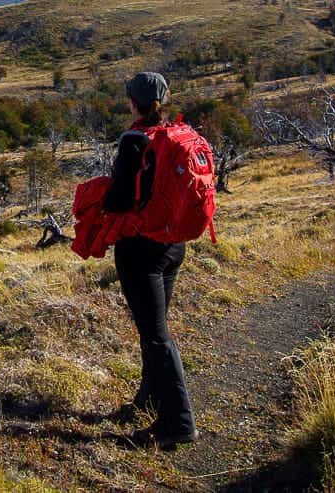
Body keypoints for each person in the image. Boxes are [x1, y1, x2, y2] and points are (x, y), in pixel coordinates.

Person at [105, 71, 197, 449]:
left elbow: (118, 200)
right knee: (153, 329)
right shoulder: (178, 135)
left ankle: (178, 422)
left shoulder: (134, 139)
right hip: (174, 245)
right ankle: (150, 398)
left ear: (132, 102)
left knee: (156, 337)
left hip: (140, 249)